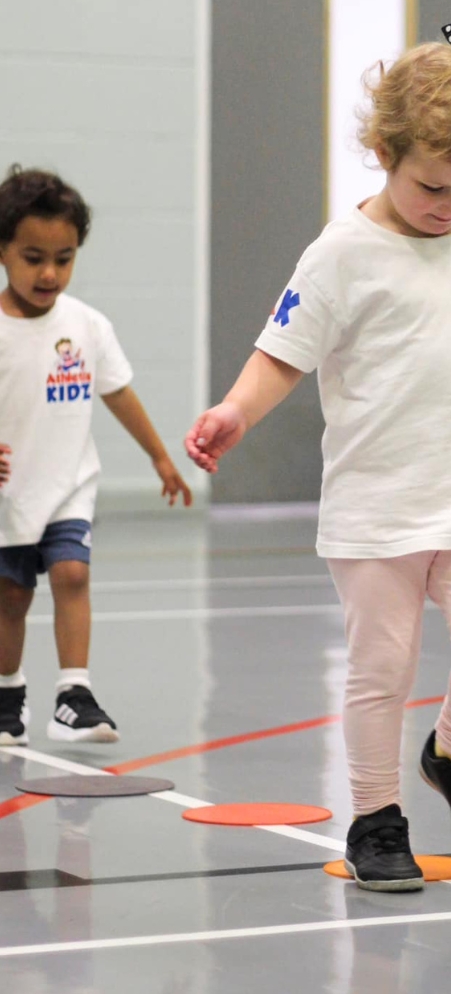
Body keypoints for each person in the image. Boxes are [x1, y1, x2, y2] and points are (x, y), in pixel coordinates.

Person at [185, 23, 451, 893]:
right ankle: (377, 817)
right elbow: (283, 351)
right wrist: (235, 409)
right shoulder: (343, 253)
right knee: (382, 668)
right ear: (382, 152)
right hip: (379, 505)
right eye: (432, 186)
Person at [0, 166, 192, 746]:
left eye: (64, 257)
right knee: (11, 595)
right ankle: (9, 695)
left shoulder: (86, 326)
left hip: (69, 482)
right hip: (10, 490)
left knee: (72, 572)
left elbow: (119, 393)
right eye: (34, 257)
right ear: (3, 249)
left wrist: (161, 458)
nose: (50, 272)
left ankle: (73, 695)